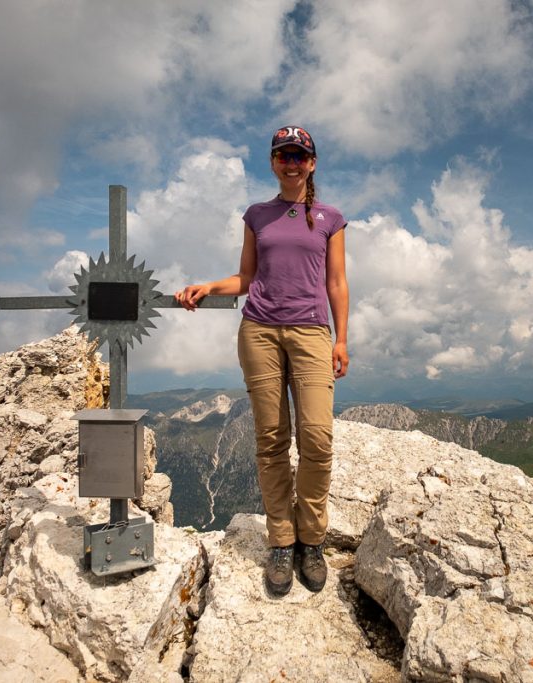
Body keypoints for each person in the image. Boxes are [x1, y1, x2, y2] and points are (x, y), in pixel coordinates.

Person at [176, 125, 349, 596]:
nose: (291, 162)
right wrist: (210, 286)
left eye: (299, 155)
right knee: (272, 438)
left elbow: (336, 282)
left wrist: (341, 339)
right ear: (273, 163)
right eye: (282, 155)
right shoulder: (256, 215)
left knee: (317, 436)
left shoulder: (330, 218)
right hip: (259, 331)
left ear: (312, 163)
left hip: (313, 331)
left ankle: (311, 538)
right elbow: (248, 277)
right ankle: (281, 540)